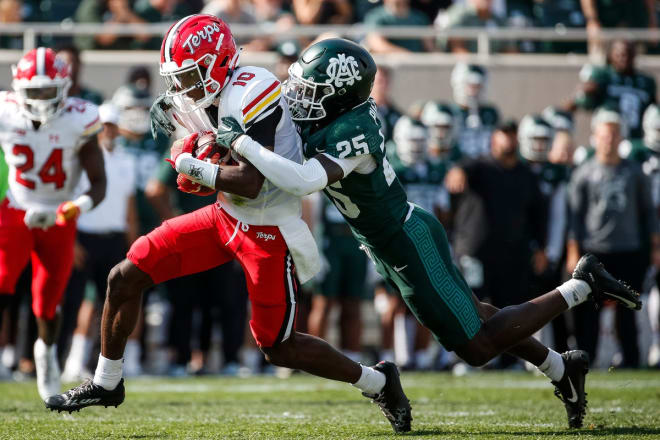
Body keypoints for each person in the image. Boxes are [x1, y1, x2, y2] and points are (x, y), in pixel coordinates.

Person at [213, 38, 642, 429]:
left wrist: (243, 146)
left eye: (310, 91)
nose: (298, 97)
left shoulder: (352, 128)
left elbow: (304, 179)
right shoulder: (333, 113)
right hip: (389, 240)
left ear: (340, 94)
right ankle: (560, 368)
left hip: (406, 239)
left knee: (475, 347)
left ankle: (580, 286)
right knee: (475, 314)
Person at [46, 16, 411, 434]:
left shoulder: (252, 90)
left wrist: (192, 164)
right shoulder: (203, 94)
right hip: (224, 217)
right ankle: (106, 382)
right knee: (125, 276)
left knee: (278, 346)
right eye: (177, 78)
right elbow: (214, 159)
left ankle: (378, 381)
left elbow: (251, 183)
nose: (182, 88)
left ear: (217, 64)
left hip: (268, 228)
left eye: (189, 75)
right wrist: (196, 150)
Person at [0, 48, 106, 400]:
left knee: (47, 301)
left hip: (60, 212)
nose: (42, 99)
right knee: (2, 280)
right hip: (15, 207)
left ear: (64, 87)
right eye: (35, 91)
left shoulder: (81, 117)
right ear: (19, 89)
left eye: (49, 91)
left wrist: (75, 208)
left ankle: (45, 357)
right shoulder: (5, 111)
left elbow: (98, 182)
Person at [567, 109, 658, 368]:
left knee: (627, 308)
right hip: (594, 252)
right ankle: (587, 358)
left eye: (614, 135)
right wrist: (573, 252)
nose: (609, 140)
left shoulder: (635, 172)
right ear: (595, 137)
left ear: (621, 138)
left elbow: (648, 213)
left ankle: (631, 360)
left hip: (628, 249)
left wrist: (654, 247)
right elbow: (574, 218)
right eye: (604, 135)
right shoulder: (583, 173)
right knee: (589, 310)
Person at [59, 103, 138, 382]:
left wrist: (133, 243)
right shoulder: (83, 158)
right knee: (86, 302)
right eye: (104, 125)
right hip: (86, 236)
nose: (108, 131)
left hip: (115, 239)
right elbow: (66, 200)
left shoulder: (126, 161)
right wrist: (70, 241)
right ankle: (74, 362)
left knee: (117, 301)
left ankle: (118, 363)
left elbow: (129, 207)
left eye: (112, 126)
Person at [566, 40, 656, 142]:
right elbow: (574, 104)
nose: (624, 59)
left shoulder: (646, 81)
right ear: (610, 56)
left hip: (636, 139)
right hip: (608, 140)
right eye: (620, 55)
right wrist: (585, 93)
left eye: (628, 55)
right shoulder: (603, 76)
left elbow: (654, 110)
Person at [449, 63, 500, 159]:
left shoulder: (490, 113)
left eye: (477, 86)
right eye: (470, 86)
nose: (473, 91)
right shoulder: (452, 112)